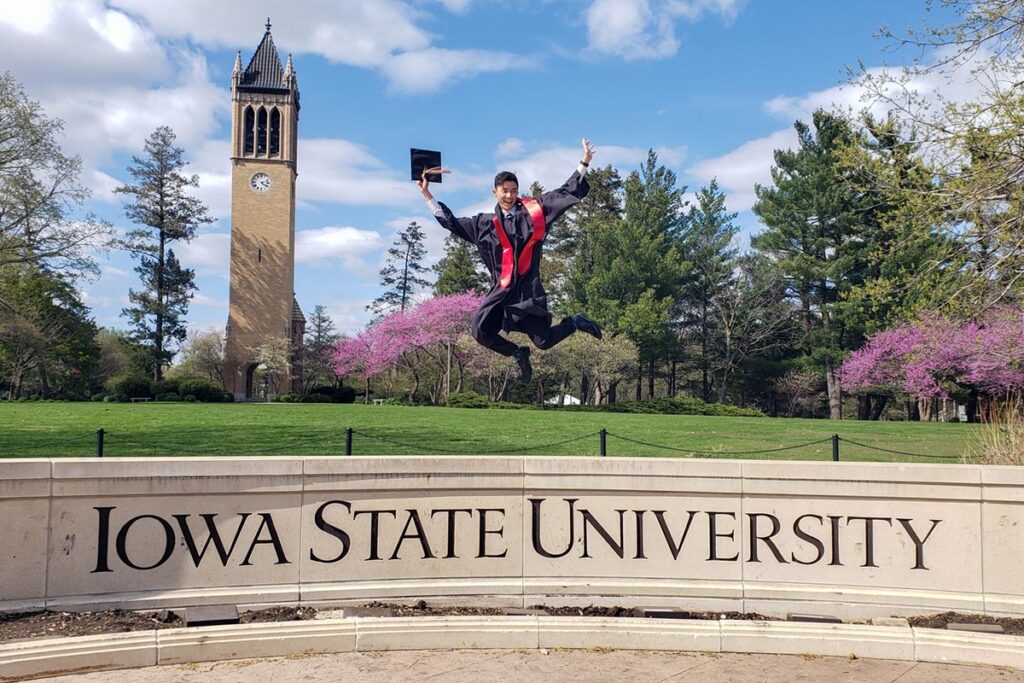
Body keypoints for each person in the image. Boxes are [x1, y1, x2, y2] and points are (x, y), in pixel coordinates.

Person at [418, 138, 602, 383]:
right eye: (504, 191)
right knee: (480, 331)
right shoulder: (483, 225)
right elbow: (450, 222)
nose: (509, 195)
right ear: (495, 192)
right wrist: (427, 194)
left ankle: (575, 322)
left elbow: (563, 194)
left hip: (527, 292)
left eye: (514, 191)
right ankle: (517, 352)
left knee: (544, 341)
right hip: (502, 293)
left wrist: (584, 163)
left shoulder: (533, 213)